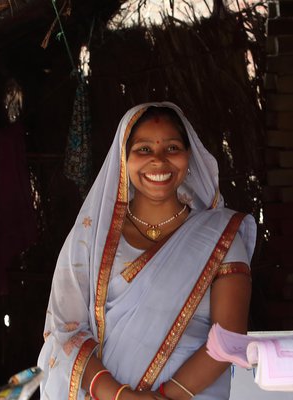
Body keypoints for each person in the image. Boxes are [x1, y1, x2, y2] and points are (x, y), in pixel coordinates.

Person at [37, 102, 255, 400]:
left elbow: (228, 340)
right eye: (143, 150)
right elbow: (66, 332)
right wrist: (120, 396)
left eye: (172, 148)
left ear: (188, 156)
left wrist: (166, 397)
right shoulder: (89, 238)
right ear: (123, 160)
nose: (159, 161)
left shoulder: (220, 236)